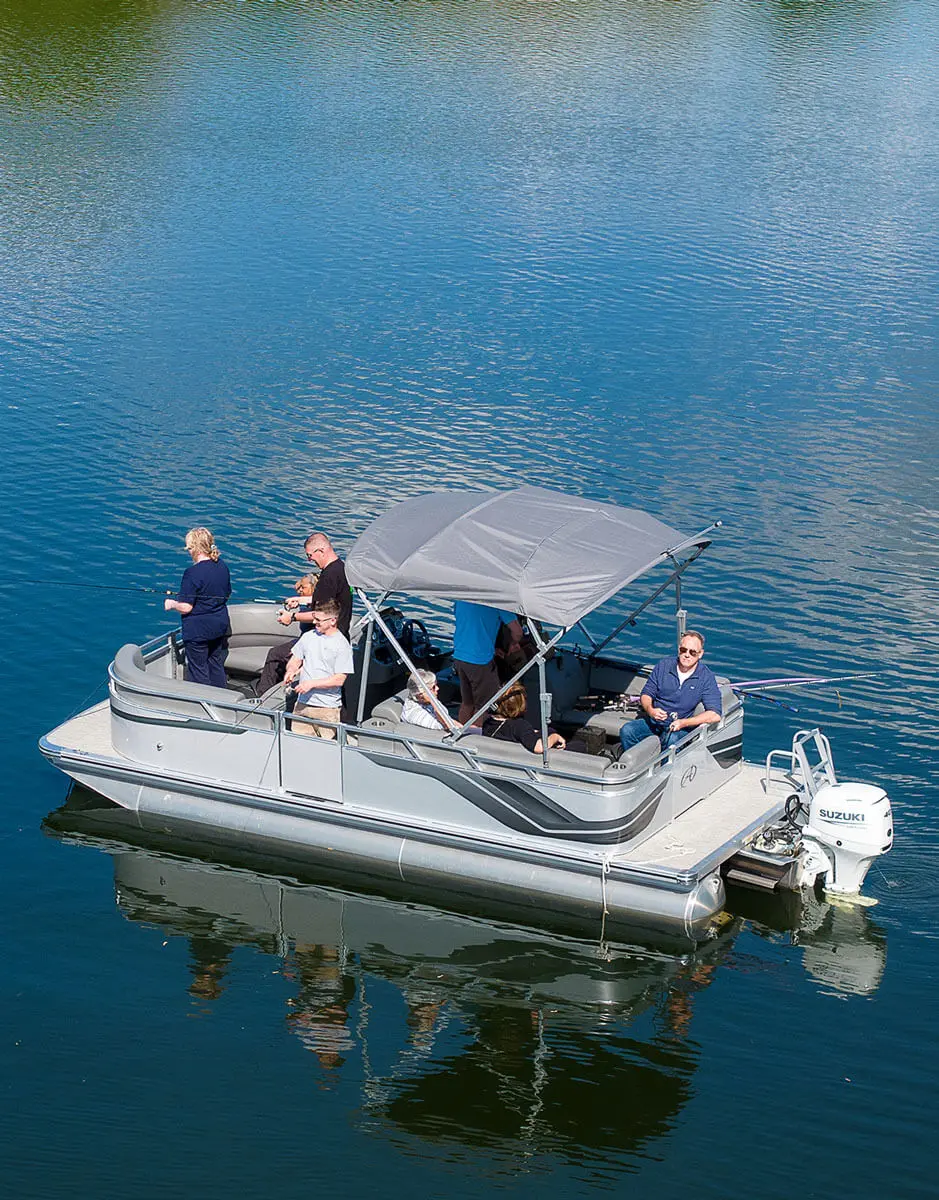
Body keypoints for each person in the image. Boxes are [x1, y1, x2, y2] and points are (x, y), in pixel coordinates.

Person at [257, 532, 352, 696]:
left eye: (310, 555)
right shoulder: (341, 568)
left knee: (275, 655)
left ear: (321, 551)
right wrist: (300, 601)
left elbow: (318, 614)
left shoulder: (328, 577)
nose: (310, 560)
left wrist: (292, 617)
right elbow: (328, 601)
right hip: (338, 635)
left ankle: (262, 699)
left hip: (323, 641)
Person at [618, 630, 722, 755]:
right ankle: (637, 767)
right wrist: (651, 711)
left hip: (681, 728)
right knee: (627, 730)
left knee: (672, 740)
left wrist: (684, 723)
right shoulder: (663, 666)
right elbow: (646, 694)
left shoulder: (706, 677)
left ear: (700, 654)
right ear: (679, 649)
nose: (687, 655)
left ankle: (666, 771)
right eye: (684, 650)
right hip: (655, 723)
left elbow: (714, 714)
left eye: (693, 652)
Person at [164, 526, 232, 688]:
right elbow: (227, 593)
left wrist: (172, 604)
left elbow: (186, 607)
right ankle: (223, 701)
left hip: (198, 631)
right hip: (219, 625)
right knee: (216, 665)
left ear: (194, 548)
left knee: (198, 671)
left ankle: (202, 707)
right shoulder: (222, 566)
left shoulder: (192, 573)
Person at [283, 599, 354, 739]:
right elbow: (295, 660)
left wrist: (311, 684)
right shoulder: (308, 637)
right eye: (314, 618)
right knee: (297, 743)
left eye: (319, 620)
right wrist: (290, 671)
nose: (314, 622)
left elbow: (339, 679)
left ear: (332, 621)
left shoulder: (342, 645)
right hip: (302, 704)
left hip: (327, 709)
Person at [452, 600, 523, 725]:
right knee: (484, 707)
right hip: (480, 660)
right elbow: (517, 631)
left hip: (459, 655)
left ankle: (462, 732)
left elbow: (470, 624)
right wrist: (513, 644)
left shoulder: (461, 598)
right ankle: (477, 737)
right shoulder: (498, 602)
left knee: (467, 702)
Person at [481, 681, 569, 754]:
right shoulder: (519, 725)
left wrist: (534, 732)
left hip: (501, 758)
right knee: (578, 745)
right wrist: (555, 737)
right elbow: (539, 747)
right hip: (525, 763)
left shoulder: (489, 722)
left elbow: (516, 734)